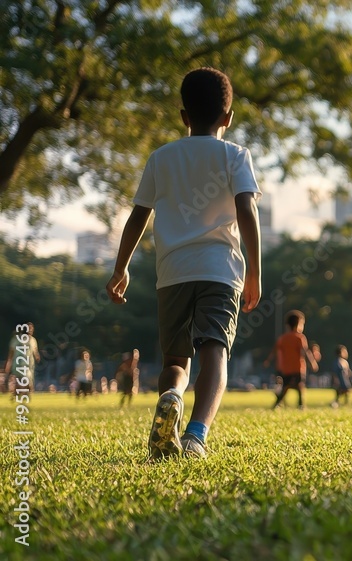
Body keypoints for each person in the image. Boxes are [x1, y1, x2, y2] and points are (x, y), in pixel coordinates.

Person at [105, 67, 262, 460]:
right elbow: (247, 211)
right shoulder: (235, 155)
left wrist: (120, 268)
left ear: (183, 115)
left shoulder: (161, 158)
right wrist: (255, 270)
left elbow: (138, 217)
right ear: (228, 117)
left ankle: (172, 395)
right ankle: (195, 435)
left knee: (176, 360)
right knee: (215, 351)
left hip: (172, 274)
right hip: (220, 272)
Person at [265, 310, 319, 410]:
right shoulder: (300, 338)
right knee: (300, 386)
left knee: (286, 387)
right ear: (298, 324)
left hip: (286, 368)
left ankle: (277, 404)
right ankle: (301, 405)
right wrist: (312, 362)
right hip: (298, 368)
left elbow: (274, 351)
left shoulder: (282, 338)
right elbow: (305, 351)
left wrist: (268, 361)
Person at [4, 323, 40, 399]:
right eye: (29, 329)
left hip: (29, 365)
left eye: (32, 329)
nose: (31, 331)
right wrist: (8, 364)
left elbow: (35, 351)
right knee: (24, 383)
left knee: (28, 386)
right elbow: (11, 354)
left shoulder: (33, 340)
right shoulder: (16, 339)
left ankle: (16, 394)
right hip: (18, 365)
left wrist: (37, 357)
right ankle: (18, 394)